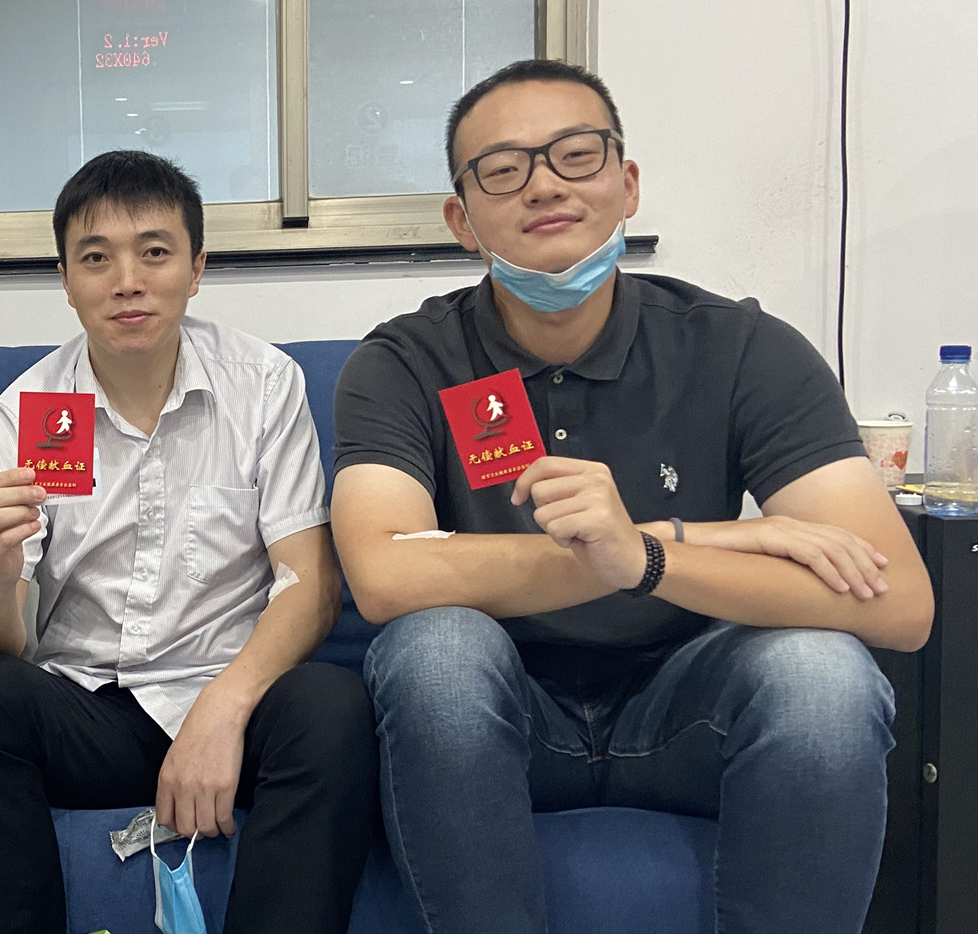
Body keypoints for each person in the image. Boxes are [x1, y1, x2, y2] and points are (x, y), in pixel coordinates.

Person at [330, 58, 934, 934]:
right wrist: (701, 540)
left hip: (689, 706)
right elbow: (387, 577)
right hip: (503, 712)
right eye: (502, 169)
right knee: (435, 652)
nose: (544, 184)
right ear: (461, 219)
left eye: (575, 154)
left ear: (627, 183)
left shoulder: (740, 347)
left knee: (822, 675)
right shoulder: (405, 360)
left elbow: (899, 603)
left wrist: (645, 555)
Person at [0, 150, 378, 934]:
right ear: (65, 279)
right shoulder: (22, 412)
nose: (126, 281)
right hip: (83, 706)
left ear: (196, 268)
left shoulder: (263, 384)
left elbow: (310, 586)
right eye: (95, 258)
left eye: (155, 252)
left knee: (331, 705)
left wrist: (221, 709)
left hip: (231, 691)